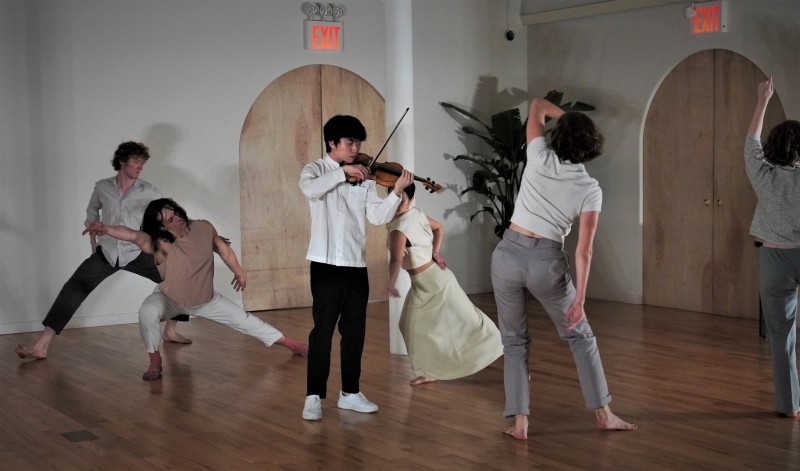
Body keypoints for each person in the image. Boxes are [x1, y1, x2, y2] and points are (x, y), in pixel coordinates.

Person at [491, 97, 638, 439]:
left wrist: (570, 116)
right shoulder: (589, 189)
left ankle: (521, 424)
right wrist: (580, 298)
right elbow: (584, 250)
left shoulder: (538, 155)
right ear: (591, 148)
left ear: (559, 136)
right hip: (546, 261)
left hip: (507, 255)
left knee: (513, 341)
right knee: (580, 337)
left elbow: (538, 106)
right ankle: (603, 415)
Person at [83, 198, 307, 380]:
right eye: (170, 219)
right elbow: (132, 234)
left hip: (205, 300)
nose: (178, 218)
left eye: (176, 212)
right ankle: (154, 361)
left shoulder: (203, 226)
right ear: (162, 226)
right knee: (147, 311)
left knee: (245, 321)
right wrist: (105, 228)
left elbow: (222, 248)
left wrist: (238, 271)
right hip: (169, 299)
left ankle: (292, 344)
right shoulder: (160, 243)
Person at [16, 141, 191, 360]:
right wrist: (93, 231)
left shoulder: (149, 192)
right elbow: (91, 213)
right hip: (107, 253)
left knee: (178, 278)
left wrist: (199, 234)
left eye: (142, 162)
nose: (140, 166)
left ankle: (171, 331)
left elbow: (170, 216)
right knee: (72, 290)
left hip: (137, 251)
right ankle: (41, 346)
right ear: (122, 161)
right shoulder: (102, 187)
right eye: (136, 161)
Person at [299, 115, 413, 421]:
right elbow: (309, 190)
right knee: (321, 331)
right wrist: (342, 173)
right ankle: (313, 396)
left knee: (355, 332)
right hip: (325, 263)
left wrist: (395, 192)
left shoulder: (365, 176)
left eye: (358, 142)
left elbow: (376, 217)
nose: (356, 148)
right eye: (350, 142)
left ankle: (350, 393)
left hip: (355, 265)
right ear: (332, 143)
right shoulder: (315, 170)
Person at [385, 182, 503, 386]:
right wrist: (434, 251)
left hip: (438, 282)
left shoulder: (400, 227)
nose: (396, 204)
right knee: (407, 325)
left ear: (411, 199)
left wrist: (391, 283)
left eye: (401, 200)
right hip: (423, 284)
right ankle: (429, 371)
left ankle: (512, 355)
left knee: (472, 322)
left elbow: (396, 260)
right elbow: (439, 227)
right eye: (393, 198)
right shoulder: (414, 215)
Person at [744, 76, 800, 418]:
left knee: (781, 337)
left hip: (773, 259)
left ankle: (789, 405)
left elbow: (751, 140)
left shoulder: (762, 174)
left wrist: (763, 100)